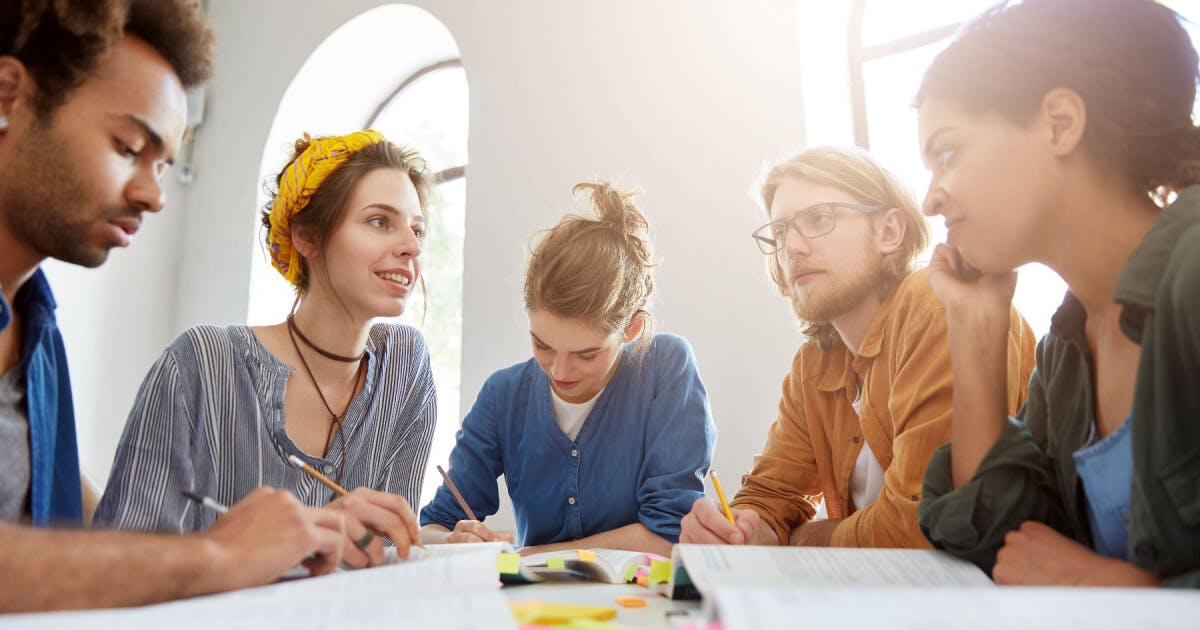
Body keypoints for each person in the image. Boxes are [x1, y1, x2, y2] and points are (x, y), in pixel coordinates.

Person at [0, 0, 360, 612]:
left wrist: (272, 543)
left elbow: (44, 506)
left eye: (164, 164)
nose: (154, 196)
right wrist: (212, 556)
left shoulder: (38, 332)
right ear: (9, 96)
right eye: (128, 146)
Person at [916, 0, 1200, 588]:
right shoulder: (1069, 350)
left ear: (1060, 123)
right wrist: (975, 328)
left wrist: (1115, 588)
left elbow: (1055, 572)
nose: (931, 199)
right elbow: (1002, 542)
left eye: (947, 153)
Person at [95, 130, 434, 562]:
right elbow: (121, 564)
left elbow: (387, 550)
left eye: (417, 229)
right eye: (379, 222)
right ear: (306, 238)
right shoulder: (202, 364)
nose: (410, 247)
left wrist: (443, 540)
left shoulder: (406, 369)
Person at [679, 146, 1036, 548]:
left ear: (888, 232)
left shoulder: (935, 307)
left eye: (818, 219)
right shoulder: (814, 365)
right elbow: (770, 496)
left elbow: (923, 526)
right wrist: (739, 528)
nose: (792, 248)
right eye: (780, 233)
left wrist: (804, 538)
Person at [420, 182, 715, 556]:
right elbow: (431, 527)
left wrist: (529, 557)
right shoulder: (503, 395)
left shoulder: (665, 366)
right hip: (537, 609)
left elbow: (670, 534)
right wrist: (453, 540)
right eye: (542, 345)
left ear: (631, 329)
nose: (559, 370)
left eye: (586, 355)